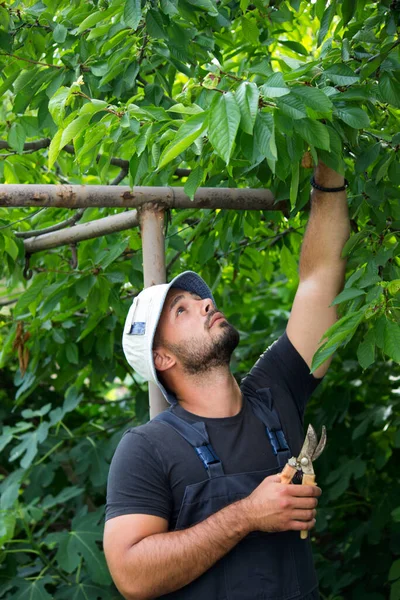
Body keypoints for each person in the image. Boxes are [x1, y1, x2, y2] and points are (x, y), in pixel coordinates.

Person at [103, 162, 350, 600]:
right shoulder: (146, 448)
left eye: (200, 298)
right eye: (182, 309)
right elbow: (131, 575)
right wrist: (248, 515)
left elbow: (320, 276)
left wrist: (328, 173)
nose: (204, 304)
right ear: (162, 357)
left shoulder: (276, 392)